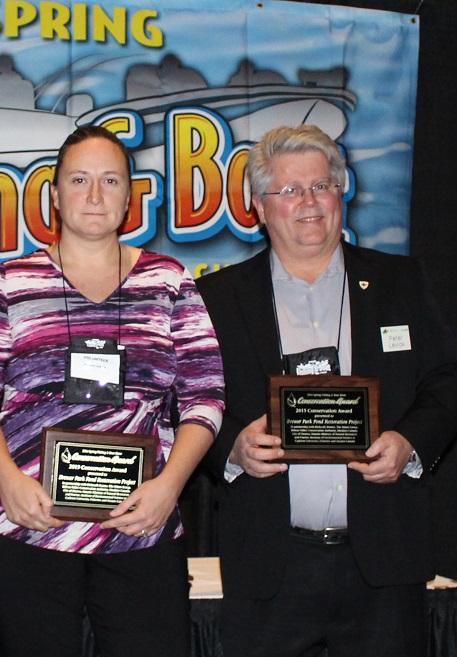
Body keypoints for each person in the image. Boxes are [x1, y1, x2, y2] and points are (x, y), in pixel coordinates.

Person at [0, 125, 224, 657]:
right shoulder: (11, 283)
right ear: (54, 195)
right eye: (79, 180)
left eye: (110, 180)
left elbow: (206, 397)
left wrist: (170, 487)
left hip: (140, 523)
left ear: (130, 195)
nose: (95, 196)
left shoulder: (168, 281)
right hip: (28, 524)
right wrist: (7, 480)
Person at [196, 124, 457, 657]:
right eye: (289, 190)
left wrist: (410, 442)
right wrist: (231, 450)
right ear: (259, 207)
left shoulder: (402, 282)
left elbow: (447, 381)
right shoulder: (216, 298)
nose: (309, 203)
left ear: (342, 193)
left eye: (322, 186)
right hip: (270, 562)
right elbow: (189, 400)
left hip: (383, 560)